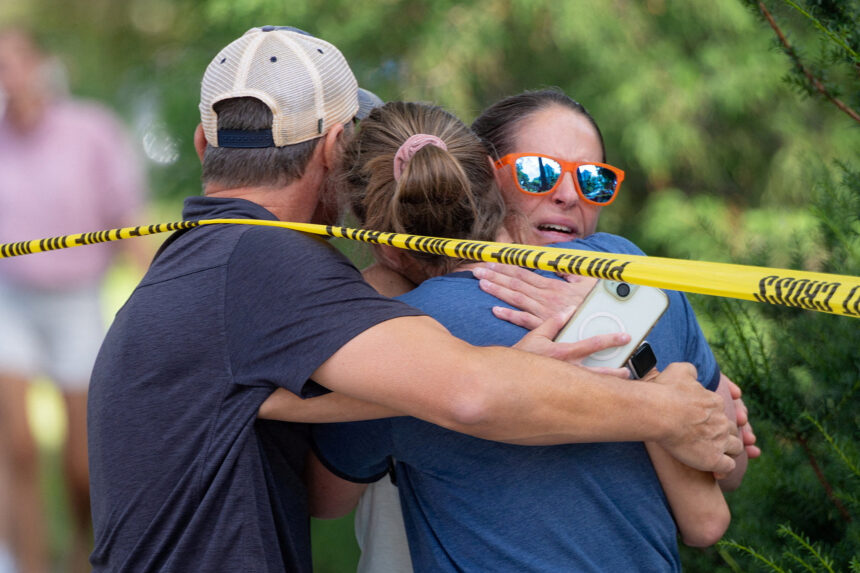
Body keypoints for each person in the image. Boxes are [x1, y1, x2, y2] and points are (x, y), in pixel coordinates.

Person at [87, 27, 741, 572]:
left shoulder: (207, 260)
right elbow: (471, 392)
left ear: (204, 144)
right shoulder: (267, 258)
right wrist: (666, 406)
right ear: (335, 149)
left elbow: (340, 455)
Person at [308, 101, 731, 571]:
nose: (567, 195)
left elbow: (325, 500)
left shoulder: (393, 341)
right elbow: (723, 461)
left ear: (377, 237)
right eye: (538, 172)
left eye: (593, 179)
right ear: (489, 177)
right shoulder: (632, 271)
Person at [0, 27, 147, 573]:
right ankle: (28, 563)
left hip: (77, 301)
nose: (8, 75)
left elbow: (126, 220)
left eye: (16, 61)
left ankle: (82, 554)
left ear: (42, 63)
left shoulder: (91, 130)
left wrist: (156, 298)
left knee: (81, 466)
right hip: (10, 301)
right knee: (17, 445)